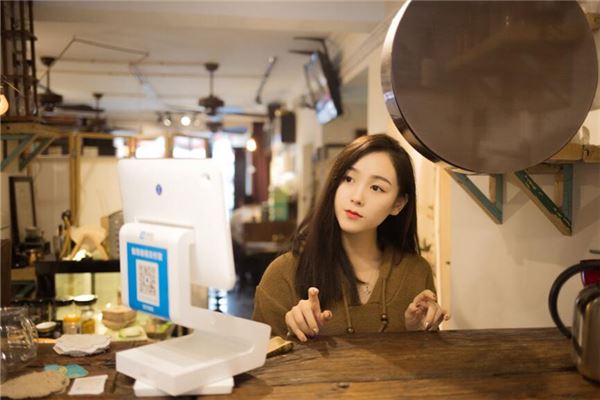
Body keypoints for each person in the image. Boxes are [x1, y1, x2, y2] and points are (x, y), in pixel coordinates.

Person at [252, 134, 449, 341]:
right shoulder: (284, 274)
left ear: (397, 204)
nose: (357, 197)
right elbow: (261, 357)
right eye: (348, 179)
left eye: (376, 188)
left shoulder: (415, 272)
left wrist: (417, 334)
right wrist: (293, 334)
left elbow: (427, 358)